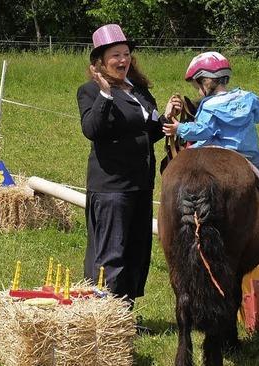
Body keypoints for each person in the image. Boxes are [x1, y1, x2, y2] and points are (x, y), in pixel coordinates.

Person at [76, 24, 180, 307]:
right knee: (111, 253)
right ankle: (104, 317)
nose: (122, 60)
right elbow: (93, 129)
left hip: (141, 183)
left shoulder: (140, 90)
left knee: (136, 250)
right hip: (111, 186)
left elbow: (148, 132)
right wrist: (106, 93)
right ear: (100, 62)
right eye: (115, 55)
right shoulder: (89, 92)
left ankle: (125, 312)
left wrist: (165, 121)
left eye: (126, 54)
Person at [162, 51, 259, 226]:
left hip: (218, 149)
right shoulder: (248, 98)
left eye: (197, 87)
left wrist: (179, 128)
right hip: (249, 153)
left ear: (206, 81)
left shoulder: (210, 105)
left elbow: (203, 131)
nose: (198, 91)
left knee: (185, 159)